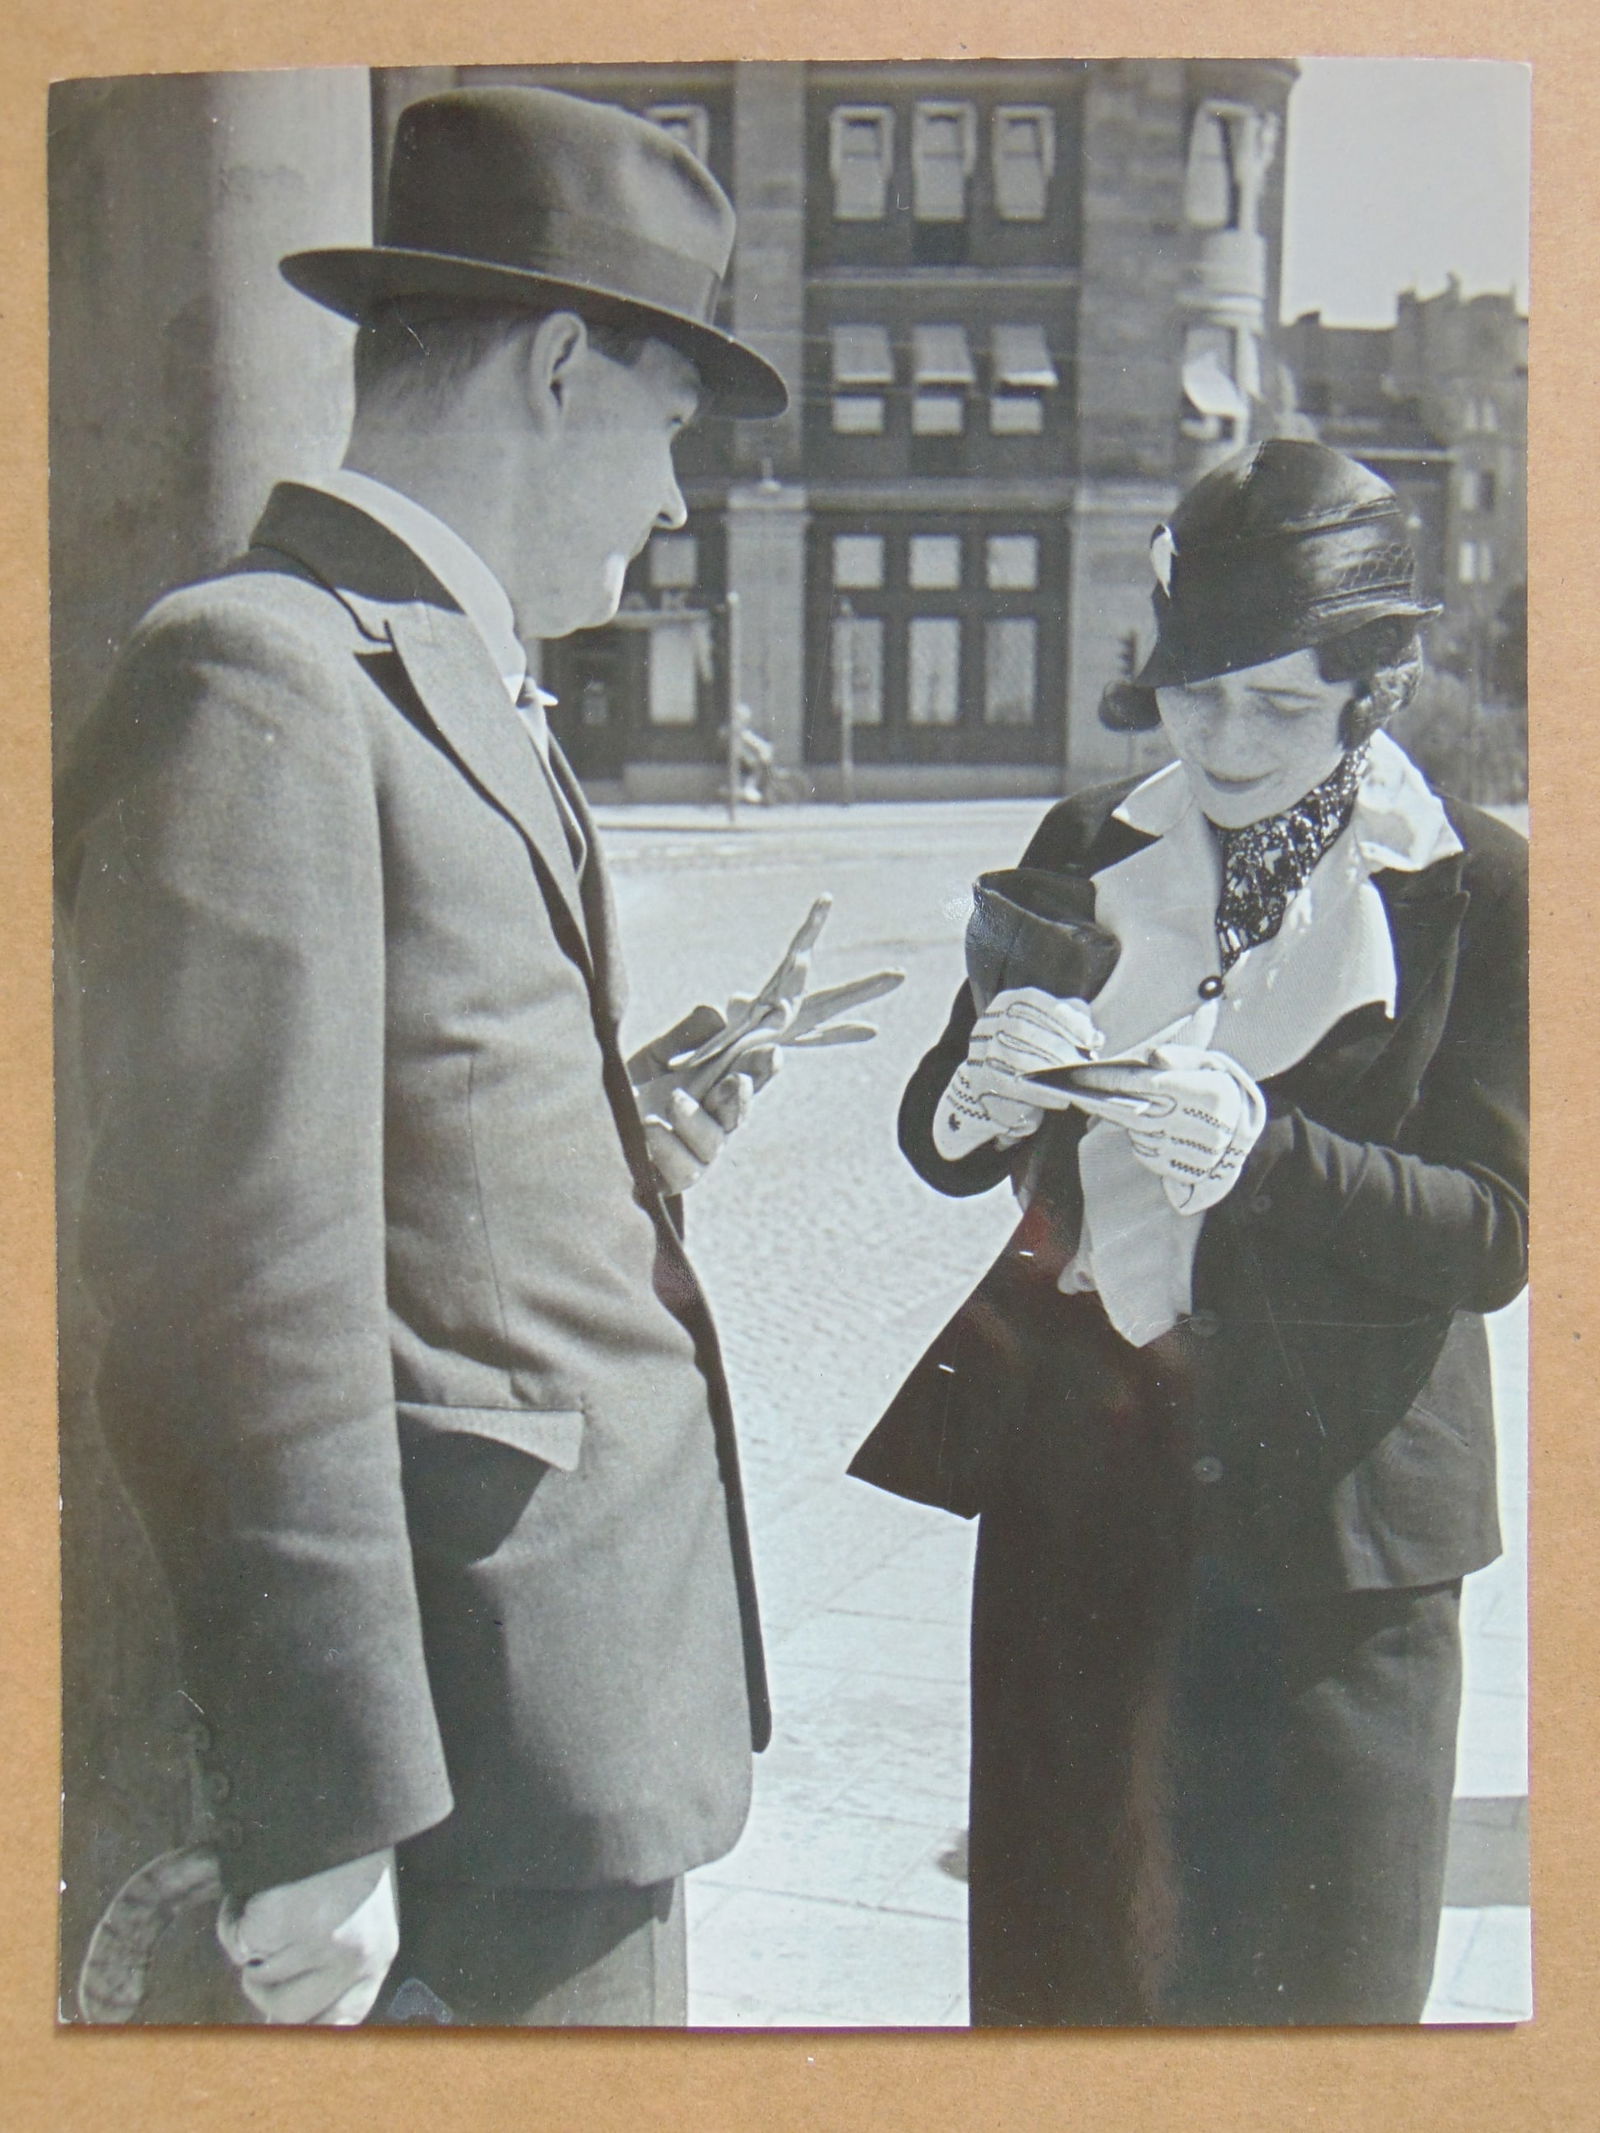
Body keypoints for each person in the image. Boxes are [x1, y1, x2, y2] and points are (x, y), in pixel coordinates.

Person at [55, 87, 794, 2029]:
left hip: (565, 1724)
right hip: (458, 1780)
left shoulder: (428, 670)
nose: (673, 501)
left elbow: (399, 1154)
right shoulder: (257, 676)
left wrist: (615, 1137)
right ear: (559, 367)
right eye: (670, 430)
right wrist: (325, 1811)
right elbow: (225, 1286)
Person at [850, 439, 1528, 2026]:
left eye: (1280, 706)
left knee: (1313, 2030)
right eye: (1193, 692)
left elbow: (1498, 1232)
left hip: (1338, 1562)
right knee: (1064, 2002)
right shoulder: (1092, 842)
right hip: (1081, 1521)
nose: (1225, 739)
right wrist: (977, 1098)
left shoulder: (1475, 889)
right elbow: (948, 1129)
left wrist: (1267, 1152)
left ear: (1375, 694)